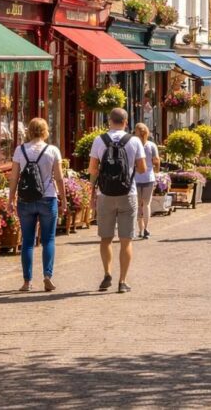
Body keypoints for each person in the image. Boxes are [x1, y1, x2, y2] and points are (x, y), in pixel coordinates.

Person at [88, 109, 148, 293]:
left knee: (105, 239)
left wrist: (92, 192)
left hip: (105, 194)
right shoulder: (134, 140)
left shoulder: (99, 140)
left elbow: (92, 169)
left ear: (109, 120)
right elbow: (143, 169)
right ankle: (122, 281)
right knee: (126, 240)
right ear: (126, 121)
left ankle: (107, 273)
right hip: (127, 193)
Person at [8, 118, 66, 292]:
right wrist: (63, 199)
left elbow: (14, 177)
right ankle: (47, 276)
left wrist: (10, 199)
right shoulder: (52, 150)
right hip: (47, 197)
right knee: (48, 239)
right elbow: (59, 177)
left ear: (29, 131)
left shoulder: (20, 150)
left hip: (25, 200)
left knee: (27, 241)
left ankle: (27, 282)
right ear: (45, 131)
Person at [133, 123, 160, 240]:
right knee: (147, 204)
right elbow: (156, 160)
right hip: (148, 178)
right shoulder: (152, 145)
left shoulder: (133, 145)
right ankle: (146, 229)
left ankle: (140, 229)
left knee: (138, 205)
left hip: (136, 178)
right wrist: (155, 171)